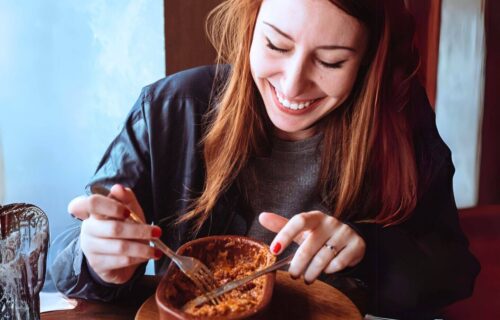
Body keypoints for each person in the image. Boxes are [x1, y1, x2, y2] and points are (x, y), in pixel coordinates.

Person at [50, 0, 480, 318]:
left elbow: (454, 274)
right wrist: (96, 256)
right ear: (250, 24)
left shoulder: (398, 123)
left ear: (366, 61)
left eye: (331, 61)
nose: (293, 86)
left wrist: (369, 254)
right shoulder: (170, 108)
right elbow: (68, 257)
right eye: (276, 45)